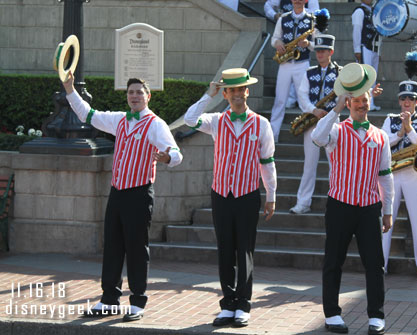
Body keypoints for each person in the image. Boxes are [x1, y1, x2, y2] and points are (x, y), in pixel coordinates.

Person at [61, 74, 183, 322]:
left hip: (139, 193)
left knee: (137, 248)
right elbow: (87, 114)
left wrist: (168, 158)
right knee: (113, 246)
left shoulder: (155, 123)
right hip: (117, 191)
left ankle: (138, 301)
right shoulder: (119, 120)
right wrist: (69, 88)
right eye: (131, 92)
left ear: (148, 97)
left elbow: (176, 152)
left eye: (139, 92)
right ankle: (109, 299)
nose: (135, 96)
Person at [184, 68, 276, 328]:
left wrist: (271, 195)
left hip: (247, 195)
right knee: (225, 249)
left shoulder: (261, 124)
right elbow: (190, 119)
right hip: (222, 194)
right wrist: (208, 95)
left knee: (244, 249)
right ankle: (227, 304)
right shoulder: (215, 121)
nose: (237, 94)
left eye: (241, 89)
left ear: (248, 91)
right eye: (232, 90)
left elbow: (267, 162)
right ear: (225, 94)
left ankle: (243, 305)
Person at [312, 62, 394, 335]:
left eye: (365, 100)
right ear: (349, 103)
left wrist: (388, 210)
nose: (361, 105)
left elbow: (386, 176)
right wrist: (335, 108)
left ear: (370, 102)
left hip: (369, 207)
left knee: (375, 263)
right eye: (356, 101)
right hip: (340, 205)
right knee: (333, 261)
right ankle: (332, 314)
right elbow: (317, 136)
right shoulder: (336, 131)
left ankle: (376, 316)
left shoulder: (381, 136)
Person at [381, 79, 417, 280]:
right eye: (403, 98)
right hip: (392, 174)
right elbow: (385, 141)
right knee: (385, 220)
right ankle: (380, 263)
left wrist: (410, 128)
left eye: (411, 99)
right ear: (399, 100)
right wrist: (400, 131)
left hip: (413, 173)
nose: (406, 102)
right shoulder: (390, 119)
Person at [291, 32, 340, 215]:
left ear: (331, 52)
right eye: (318, 50)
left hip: (333, 123)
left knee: (335, 164)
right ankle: (302, 203)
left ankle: (336, 202)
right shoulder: (308, 72)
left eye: (324, 51)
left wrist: (329, 115)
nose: (320, 54)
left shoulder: (340, 73)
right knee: (309, 164)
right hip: (312, 121)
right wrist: (313, 111)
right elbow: (302, 95)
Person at [269, 0, 316, 142]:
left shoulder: (311, 20)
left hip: (303, 64)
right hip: (285, 64)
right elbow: (274, 38)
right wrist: (278, 44)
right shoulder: (283, 18)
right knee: (279, 101)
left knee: (305, 101)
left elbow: (319, 45)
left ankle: (309, 135)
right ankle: (272, 137)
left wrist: (308, 43)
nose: (297, 0)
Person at [352, 0, 382, 111]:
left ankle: (371, 102)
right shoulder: (360, 12)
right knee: (365, 77)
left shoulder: (375, 11)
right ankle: (365, 102)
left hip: (375, 46)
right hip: (365, 46)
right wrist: (357, 49)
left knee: (373, 75)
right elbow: (357, 30)